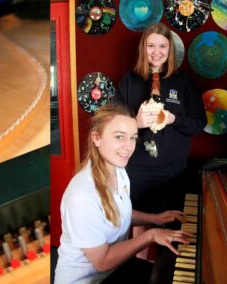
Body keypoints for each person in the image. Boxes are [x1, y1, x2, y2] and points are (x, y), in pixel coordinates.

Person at [54, 104, 192, 284]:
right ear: (97, 138)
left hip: (115, 269)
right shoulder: (82, 196)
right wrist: (150, 235)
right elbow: (102, 262)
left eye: (133, 138)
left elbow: (118, 212)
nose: (129, 147)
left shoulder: (119, 171)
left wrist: (156, 218)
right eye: (119, 137)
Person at [113, 22, 207, 216]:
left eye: (162, 46)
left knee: (171, 227)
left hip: (174, 171)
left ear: (170, 49)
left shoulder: (184, 83)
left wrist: (173, 119)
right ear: (143, 48)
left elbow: (198, 124)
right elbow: (113, 126)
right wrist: (136, 123)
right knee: (140, 229)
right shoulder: (129, 81)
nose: (156, 52)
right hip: (137, 170)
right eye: (151, 46)